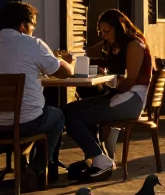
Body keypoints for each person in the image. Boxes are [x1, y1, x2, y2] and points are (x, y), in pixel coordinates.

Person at [0, 1, 73, 190]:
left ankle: (25, 165)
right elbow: (64, 73)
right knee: (56, 117)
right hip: (25, 124)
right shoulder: (33, 44)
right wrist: (66, 62)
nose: (33, 30)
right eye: (33, 25)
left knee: (37, 114)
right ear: (23, 25)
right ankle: (39, 169)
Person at [63, 9, 153, 182]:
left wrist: (109, 92)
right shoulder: (112, 45)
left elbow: (131, 80)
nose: (104, 36)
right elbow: (87, 53)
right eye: (101, 32)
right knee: (70, 110)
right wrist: (70, 57)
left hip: (131, 99)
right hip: (120, 95)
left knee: (74, 114)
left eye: (107, 31)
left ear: (119, 27)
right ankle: (98, 158)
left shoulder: (134, 44)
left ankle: (99, 159)